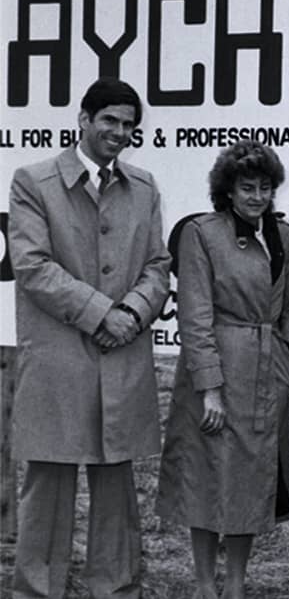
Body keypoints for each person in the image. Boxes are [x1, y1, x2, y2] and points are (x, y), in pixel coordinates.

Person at [8, 77, 171, 598]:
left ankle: (116, 589)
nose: (119, 133)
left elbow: (158, 265)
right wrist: (104, 314)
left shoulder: (143, 187)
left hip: (121, 358)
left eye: (128, 125)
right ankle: (36, 591)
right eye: (109, 121)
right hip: (58, 359)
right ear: (83, 119)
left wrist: (132, 311)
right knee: (48, 488)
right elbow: (32, 267)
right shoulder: (33, 181)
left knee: (116, 490)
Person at [155, 140, 289, 599]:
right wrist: (210, 389)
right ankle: (203, 584)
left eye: (264, 188)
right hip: (218, 368)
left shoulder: (286, 236)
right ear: (228, 190)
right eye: (246, 187)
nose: (256, 196)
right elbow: (194, 314)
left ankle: (236, 584)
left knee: (251, 481)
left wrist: (286, 355)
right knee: (205, 477)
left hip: (266, 371)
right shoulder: (203, 233)